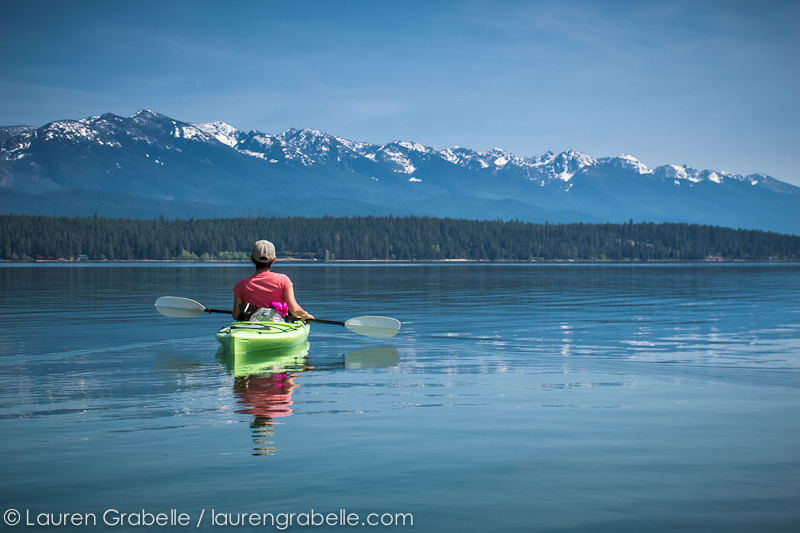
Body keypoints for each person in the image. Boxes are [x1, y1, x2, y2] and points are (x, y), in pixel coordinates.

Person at [232, 240, 314, 322]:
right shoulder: (283, 280)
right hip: (277, 326)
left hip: (251, 328)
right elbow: (294, 309)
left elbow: (236, 315)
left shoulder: (241, 285)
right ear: (273, 260)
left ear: (252, 259)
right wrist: (305, 315)